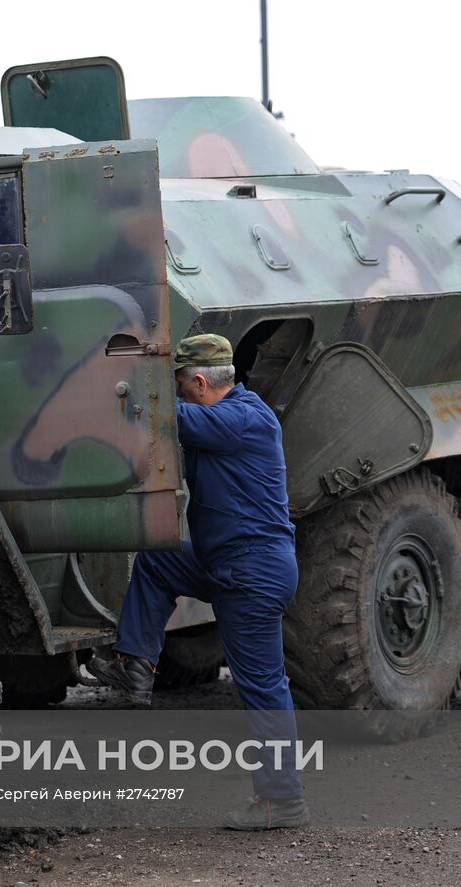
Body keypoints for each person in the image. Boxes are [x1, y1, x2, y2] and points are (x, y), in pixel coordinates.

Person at [88, 333, 308, 830]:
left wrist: (118, 391)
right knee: (157, 562)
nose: (182, 395)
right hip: (226, 561)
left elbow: (171, 420)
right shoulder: (228, 416)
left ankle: (282, 801)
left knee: (263, 686)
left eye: (182, 386)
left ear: (201, 382)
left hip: (252, 571)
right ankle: (135, 665)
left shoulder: (246, 418)